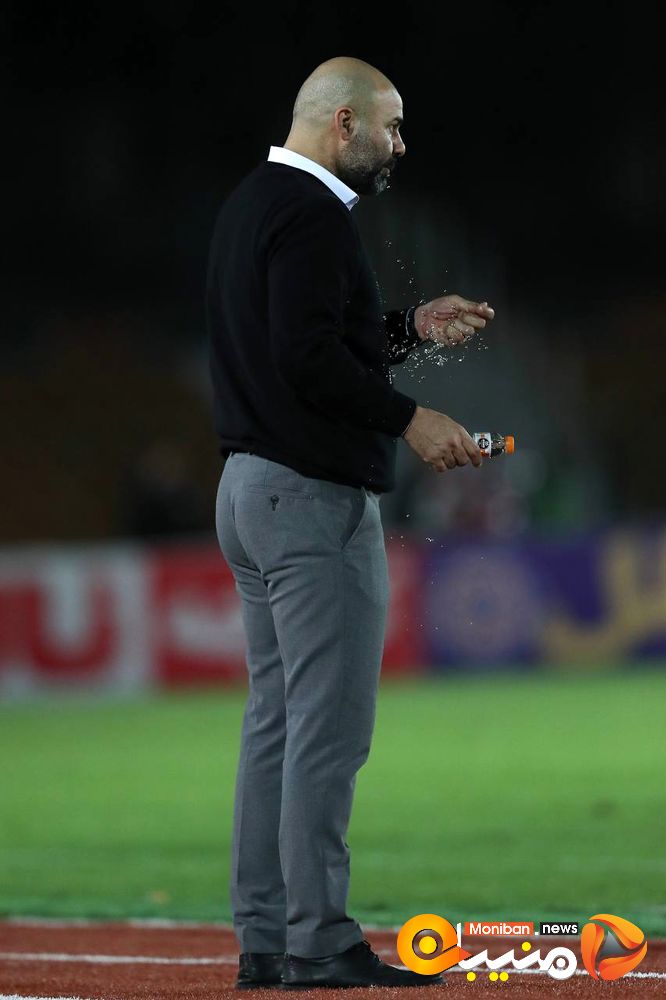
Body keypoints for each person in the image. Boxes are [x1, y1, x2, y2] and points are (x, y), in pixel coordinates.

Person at [207, 55, 495, 990]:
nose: (400, 145)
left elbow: (306, 339)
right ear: (343, 124)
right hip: (308, 497)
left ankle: (266, 937)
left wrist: (408, 327)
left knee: (277, 724)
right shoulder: (313, 213)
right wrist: (411, 417)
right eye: (391, 126)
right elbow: (308, 360)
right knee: (326, 733)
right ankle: (319, 940)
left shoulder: (251, 204)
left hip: (250, 489)